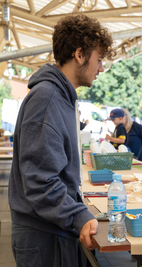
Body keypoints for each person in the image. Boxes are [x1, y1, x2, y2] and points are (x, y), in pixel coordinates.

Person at [8, 14, 114, 267]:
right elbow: (40, 180)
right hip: (44, 237)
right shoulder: (47, 99)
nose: (100, 68)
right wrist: (78, 215)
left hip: (53, 228)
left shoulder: (62, 98)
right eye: (99, 60)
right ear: (79, 54)